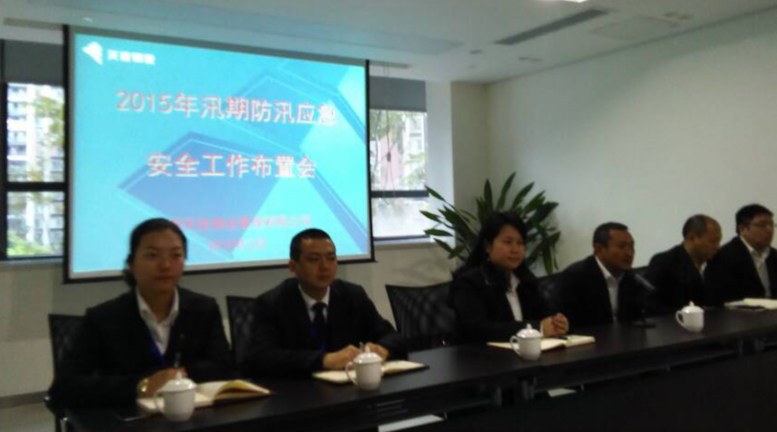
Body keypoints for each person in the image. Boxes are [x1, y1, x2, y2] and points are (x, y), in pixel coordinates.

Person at [48, 218, 233, 408]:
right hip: (130, 418)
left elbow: (225, 367)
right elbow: (64, 387)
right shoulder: (103, 318)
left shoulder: (203, 309)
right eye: (152, 255)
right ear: (131, 263)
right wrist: (141, 385)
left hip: (194, 416)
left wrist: (178, 376)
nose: (165, 265)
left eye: (176, 255)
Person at [243, 228, 405, 378]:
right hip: (297, 391)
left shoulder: (353, 295)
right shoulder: (271, 303)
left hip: (348, 390)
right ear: (293, 266)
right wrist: (324, 360)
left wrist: (382, 349)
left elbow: (393, 337)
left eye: (331, 258)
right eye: (314, 260)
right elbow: (260, 358)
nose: (325, 267)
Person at [450, 212, 568, 343]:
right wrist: (537, 328)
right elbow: (479, 330)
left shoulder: (525, 280)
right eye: (508, 242)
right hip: (483, 354)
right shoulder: (468, 283)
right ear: (488, 246)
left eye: (520, 243)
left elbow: (546, 313)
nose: (515, 249)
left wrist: (557, 323)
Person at [558, 222, 648, 328]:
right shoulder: (575, 277)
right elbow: (565, 324)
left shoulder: (632, 278)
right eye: (622, 246)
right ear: (598, 249)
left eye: (631, 246)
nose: (629, 253)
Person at [646, 215, 721, 312]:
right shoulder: (665, 262)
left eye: (718, 242)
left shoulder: (716, 263)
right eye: (713, 241)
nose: (717, 247)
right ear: (691, 238)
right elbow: (651, 305)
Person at [705, 204, 777, 304]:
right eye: (762, 225)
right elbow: (718, 298)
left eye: (771, 225)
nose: (769, 230)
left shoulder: (774, 256)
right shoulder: (724, 257)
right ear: (743, 229)